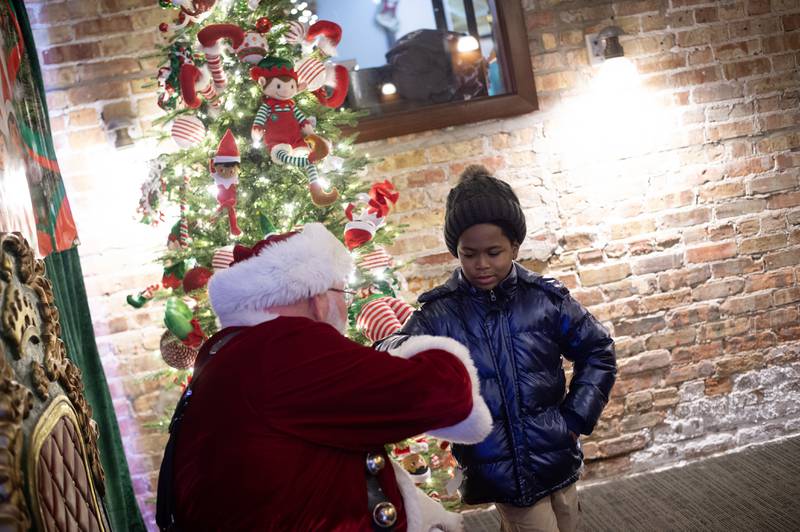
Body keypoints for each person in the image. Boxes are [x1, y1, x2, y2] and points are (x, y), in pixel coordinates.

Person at [156, 222, 492, 531]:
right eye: (342, 294)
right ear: (318, 299)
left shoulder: (227, 351)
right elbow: (446, 395)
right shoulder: (286, 346)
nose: (345, 310)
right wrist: (404, 346)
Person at [376, 166, 617, 532]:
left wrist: (575, 418)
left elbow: (598, 350)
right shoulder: (442, 311)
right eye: (469, 253)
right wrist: (408, 348)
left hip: (557, 452)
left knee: (567, 522)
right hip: (500, 467)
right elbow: (389, 352)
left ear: (515, 247)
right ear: (455, 250)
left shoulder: (545, 300)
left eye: (494, 252)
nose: (482, 264)